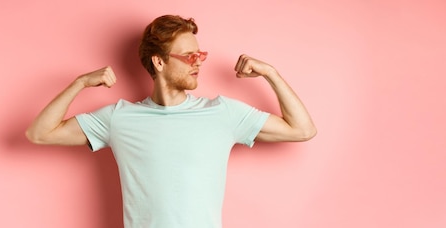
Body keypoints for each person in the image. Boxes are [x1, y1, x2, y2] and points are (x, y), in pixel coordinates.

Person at [26, 15, 316, 228]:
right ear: (159, 62)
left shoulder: (223, 113)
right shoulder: (120, 118)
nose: (199, 62)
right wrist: (80, 83)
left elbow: (303, 129)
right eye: (189, 56)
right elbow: (40, 133)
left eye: (200, 54)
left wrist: (271, 73)